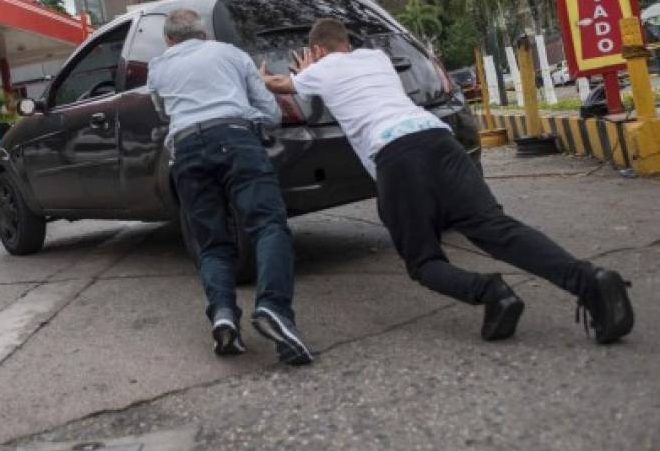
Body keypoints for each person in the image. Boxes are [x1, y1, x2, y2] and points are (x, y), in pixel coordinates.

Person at [260, 17, 634, 344]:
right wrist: (311, 70)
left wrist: (291, 73)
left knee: (423, 261)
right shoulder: (375, 58)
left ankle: (491, 293)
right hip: (440, 141)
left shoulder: (319, 71)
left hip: (397, 156)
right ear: (346, 41)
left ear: (316, 49)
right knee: (496, 228)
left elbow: (280, 86)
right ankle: (591, 280)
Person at [147, 8, 312, 364]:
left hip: (187, 150)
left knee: (211, 243)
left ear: (169, 40)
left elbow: (162, 112)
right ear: (203, 34)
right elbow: (271, 112)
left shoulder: (158, 67)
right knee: (268, 225)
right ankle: (273, 309)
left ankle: (223, 314)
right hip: (236, 139)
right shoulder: (231, 54)